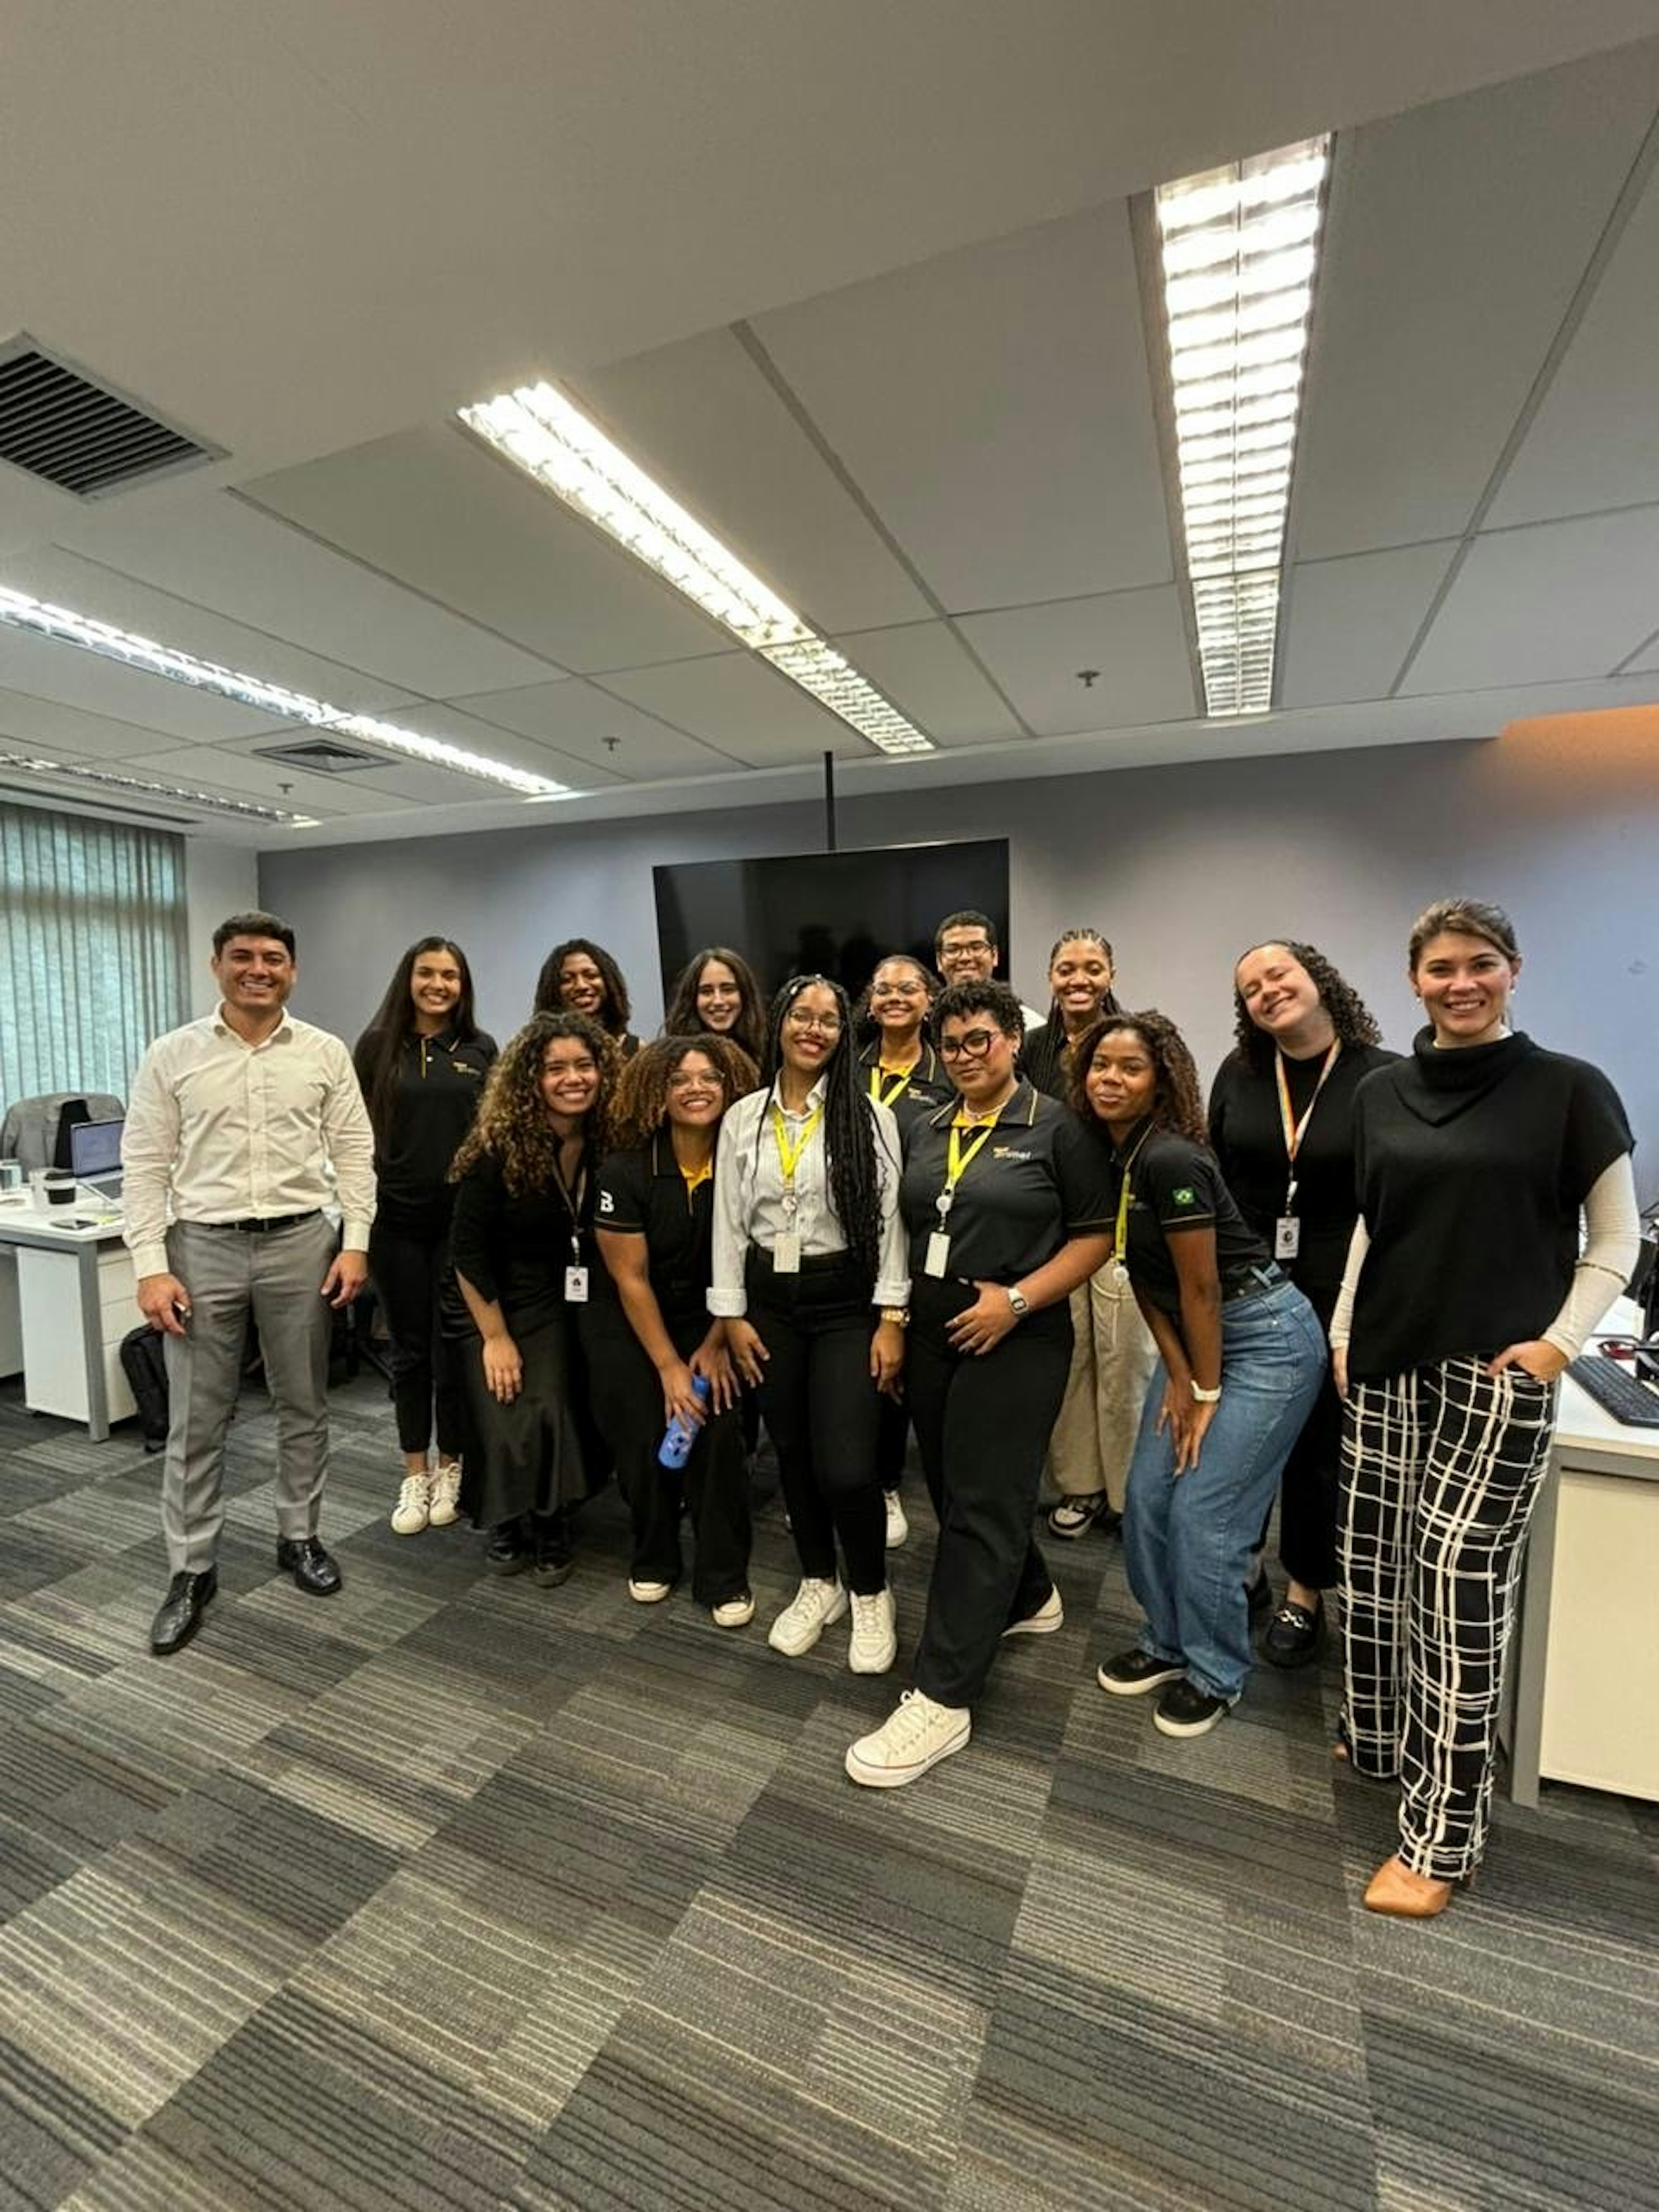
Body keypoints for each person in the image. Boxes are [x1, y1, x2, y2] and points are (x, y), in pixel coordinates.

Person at [1328, 898, 1638, 1919]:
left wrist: (1554, 1349)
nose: (1459, 984)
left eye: (1480, 965)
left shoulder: (1566, 1091)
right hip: (1382, 1357)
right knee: (1369, 1566)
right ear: (1411, 978)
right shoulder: (1381, 1089)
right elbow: (1375, 1225)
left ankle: (1440, 1840)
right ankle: (1378, 1739)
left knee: (1456, 1588)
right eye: (1438, 969)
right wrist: (1340, 1332)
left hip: (1494, 1374)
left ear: (1513, 969)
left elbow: (1612, 1242)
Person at [845, 980, 1117, 1788]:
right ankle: (1031, 1596)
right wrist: (894, 1324)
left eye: (981, 1041)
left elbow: (1098, 1236)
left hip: (1018, 1334)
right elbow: (904, 1226)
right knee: (961, 1492)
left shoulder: (1058, 1127)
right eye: (953, 1044)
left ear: (1011, 1040)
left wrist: (1020, 1299)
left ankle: (942, 1696)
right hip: (932, 1332)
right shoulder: (921, 1124)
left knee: (984, 1508)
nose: (966, 1056)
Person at [122, 911, 375, 1656]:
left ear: (292, 971)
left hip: (302, 1241)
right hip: (201, 1247)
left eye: (272, 958)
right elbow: (145, 1165)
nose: (257, 969)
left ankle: (298, 1536)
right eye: (242, 957)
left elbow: (356, 1155)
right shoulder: (173, 1055)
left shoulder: (324, 1053)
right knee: (199, 1419)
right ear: (217, 966)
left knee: (304, 1403)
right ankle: (192, 1568)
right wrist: (149, 1264)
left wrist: (355, 1244)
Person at [1085, 1011, 1326, 1740]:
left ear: (1161, 1083)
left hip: (1263, 1339)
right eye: (1101, 1065)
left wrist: (1208, 1392)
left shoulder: (1171, 1160)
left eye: (1131, 1068)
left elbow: (1203, 1290)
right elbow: (1150, 1283)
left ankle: (1217, 1673)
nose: (1111, 1078)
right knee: (1149, 1497)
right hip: (1197, 1340)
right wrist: (1184, 1378)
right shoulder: (1115, 1156)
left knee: (1206, 1516)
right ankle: (1166, 1643)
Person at [710, 974, 908, 1671]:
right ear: (781, 1024)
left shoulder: (869, 1116)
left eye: (829, 1020)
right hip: (770, 1304)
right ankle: (818, 1581)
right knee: (791, 1452)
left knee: (849, 1467)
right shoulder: (743, 1117)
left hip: (845, 1302)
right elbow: (729, 1225)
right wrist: (730, 1316)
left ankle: (870, 1592)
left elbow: (889, 1226)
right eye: (802, 1016)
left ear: (843, 1033)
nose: (814, 1030)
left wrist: (891, 1317)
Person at [1208, 941, 1396, 1662]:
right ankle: (1246, 1563)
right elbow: (1218, 1175)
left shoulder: (1383, 1079)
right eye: (1251, 988)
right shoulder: (1242, 1073)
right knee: (1242, 1435)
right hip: (1251, 1287)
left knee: (1319, 1448)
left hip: (1342, 1288)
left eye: (1278, 974)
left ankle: (1307, 1590)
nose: (1268, 991)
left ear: (1319, 978)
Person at [586, 1035, 760, 1623]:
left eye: (710, 1078)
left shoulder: (747, 1165)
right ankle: (654, 1552)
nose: (696, 1089)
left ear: (730, 1088)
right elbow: (630, 1280)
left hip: (716, 1318)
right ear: (658, 1092)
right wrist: (667, 1368)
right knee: (643, 1436)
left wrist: (714, 1346)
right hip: (633, 1324)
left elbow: (741, 1264)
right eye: (681, 1079)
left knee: (717, 1430)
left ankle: (723, 1575)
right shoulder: (624, 1169)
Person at [448, 1011, 612, 1583]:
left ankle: (552, 1519)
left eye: (585, 1066)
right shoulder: (497, 1148)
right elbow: (466, 1253)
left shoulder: (605, 1140)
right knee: (512, 1400)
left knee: (557, 1402)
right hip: (495, 1298)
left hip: (565, 1294)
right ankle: (508, 1519)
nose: (573, 1079)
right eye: (556, 1069)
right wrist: (495, 1338)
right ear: (530, 1080)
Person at [353, 937, 496, 1536]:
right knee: (410, 1352)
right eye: (427, 973)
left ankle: (453, 1464)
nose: (439, 985)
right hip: (395, 1225)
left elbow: (492, 1136)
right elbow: (354, 1137)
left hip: (459, 1228)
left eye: (450, 976)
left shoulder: (480, 1049)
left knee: (454, 1355)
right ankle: (415, 1470)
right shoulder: (375, 1047)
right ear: (407, 978)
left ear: (463, 986)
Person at [1021, 931, 1157, 1546]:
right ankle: (1081, 1485)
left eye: (1092, 968)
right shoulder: (1029, 1048)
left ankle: (1132, 1493)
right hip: (1054, 1227)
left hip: (1122, 1220)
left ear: (1112, 973)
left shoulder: (1134, 1041)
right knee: (1070, 1357)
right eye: (1066, 969)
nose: (1079, 980)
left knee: (1125, 1358)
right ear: (1050, 976)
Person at [856, 953, 952, 1547]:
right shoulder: (845, 1065)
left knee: (898, 1367)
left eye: (908, 988)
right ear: (870, 1002)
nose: (895, 997)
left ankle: (888, 1483)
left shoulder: (945, 1075)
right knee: (856, 1364)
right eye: (884, 988)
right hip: (850, 1243)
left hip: (918, 1240)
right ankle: (855, 1479)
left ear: (929, 1001)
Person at [933, 909, 1043, 1030]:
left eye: (976, 948)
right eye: (953, 950)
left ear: (994, 956)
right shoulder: (923, 1026)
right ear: (939, 960)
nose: (965, 957)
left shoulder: (1031, 1025)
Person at [533, 938, 640, 1058]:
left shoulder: (636, 1051)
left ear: (609, 983)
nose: (581, 986)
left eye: (591, 976)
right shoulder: (535, 1053)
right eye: (567, 980)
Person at [662, 946, 766, 1065]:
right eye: (707, 992)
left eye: (728, 990)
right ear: (692, 999)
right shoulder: (670, 1061)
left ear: (745, 995)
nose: (718, 1001)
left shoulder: (766, 1058)